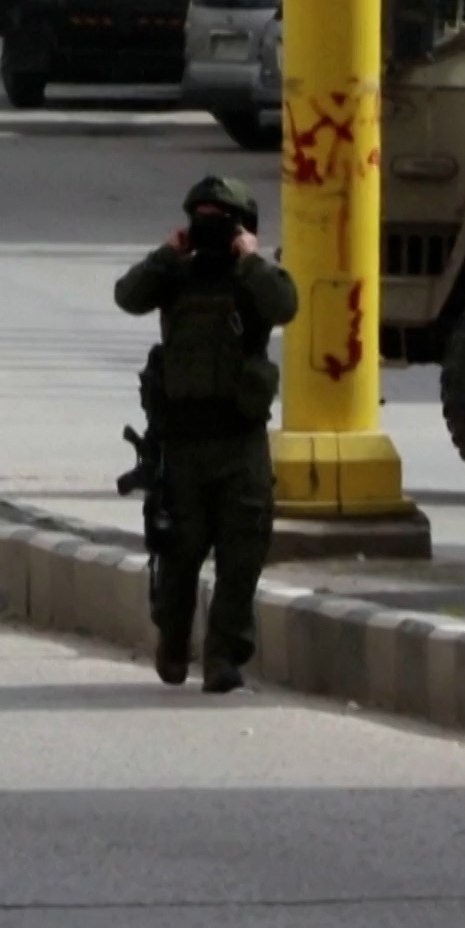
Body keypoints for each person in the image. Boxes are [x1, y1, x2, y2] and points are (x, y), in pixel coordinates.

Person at [114, 176, 298, 694]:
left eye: (220, 221)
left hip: (240, 442)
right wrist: (167, 255)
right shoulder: (176, 276)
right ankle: (174, 640)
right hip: (184, 445)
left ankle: (223, 655)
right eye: (202, 219)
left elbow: (286, 305)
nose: (209, 229)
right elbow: (128, 296)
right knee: (178, 553)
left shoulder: (253, 280)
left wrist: (250, 259)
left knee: (242, 554)